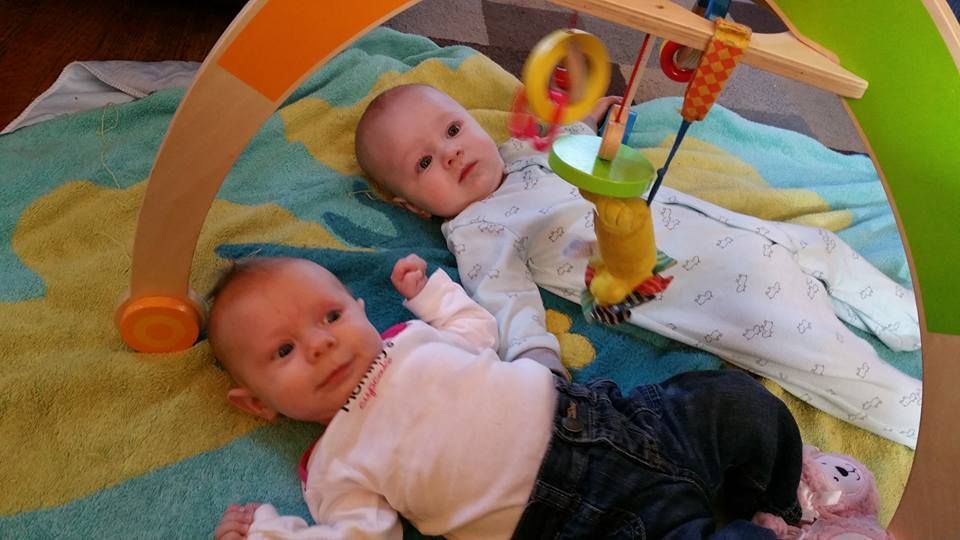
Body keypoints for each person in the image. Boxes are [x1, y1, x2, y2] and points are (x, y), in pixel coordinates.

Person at [354, 83, 923, 448]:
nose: (451, 152)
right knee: (826, 358)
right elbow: (503, 298)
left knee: (823, 248)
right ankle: (922, 417)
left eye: (453, 130)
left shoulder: (525, 153)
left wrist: (593, 116)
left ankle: (915, 324)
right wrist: (537, 366)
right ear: (411, 204)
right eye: (425, 161)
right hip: (696, 286)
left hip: (731, 229)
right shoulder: (477, 229)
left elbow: (577, 141)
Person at [209, 254, 804, 539]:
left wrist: (430, 297)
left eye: (331, 315)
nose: (319, 345)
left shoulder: (406, 340)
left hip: (615, 418)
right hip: (572, 523)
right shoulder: (334, 463)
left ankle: (783, 503)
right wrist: (267, 530)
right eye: (283, 352)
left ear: (362, 310)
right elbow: (359, 537)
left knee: (735, 400)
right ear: (256, 403)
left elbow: (478, 334)